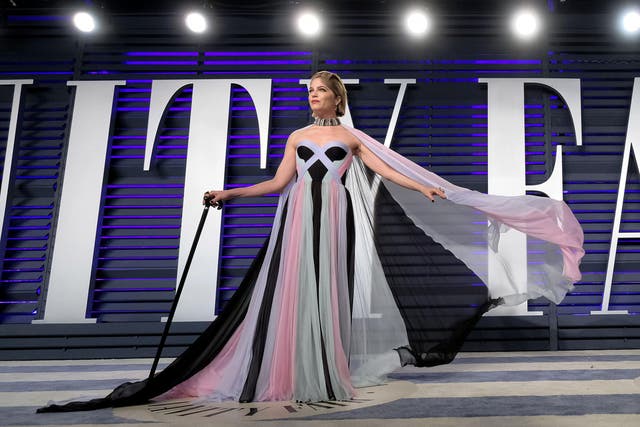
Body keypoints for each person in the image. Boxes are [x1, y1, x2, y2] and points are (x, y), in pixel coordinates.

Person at [38, 71, 584, 411]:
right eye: (311, 91)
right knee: (291, 292)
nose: (313, 95)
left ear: (336, 99)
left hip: (335, 218)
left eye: (320, 91)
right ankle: (286, 371)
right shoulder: (298, 137)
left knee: (327, 293)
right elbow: (279, 183)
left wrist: (428, 188)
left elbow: (386, 174)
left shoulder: (349, 137)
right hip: (297, 218)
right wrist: (230, 193)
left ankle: (324, 371)